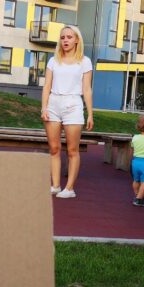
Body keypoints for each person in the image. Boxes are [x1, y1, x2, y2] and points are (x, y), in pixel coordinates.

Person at [40, 25, 94, 198]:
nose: (65, 40)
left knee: (72, 150)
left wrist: (90, 114)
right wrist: (44, 107)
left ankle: (69, 188)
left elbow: (87, 89)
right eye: (63, 37)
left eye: (69, 37)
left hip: (73, 105)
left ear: (77, 40)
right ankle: (55, 185)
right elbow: (46, 86)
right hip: (53, 104)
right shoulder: (53, 60)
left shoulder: (84, 61)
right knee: (54, 148)